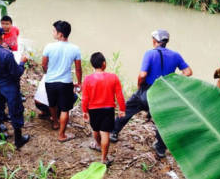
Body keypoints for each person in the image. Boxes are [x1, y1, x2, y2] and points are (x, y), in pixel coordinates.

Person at [110, 29, 192, 158]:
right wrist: (173, 81)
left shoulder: (149, 54)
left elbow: (142, 74)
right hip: (164, 92)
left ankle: (113, 133)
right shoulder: (176, 55)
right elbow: (188, 72)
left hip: (147, 91)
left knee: (127, 109)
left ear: (154, 41)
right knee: (162, 121)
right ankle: (160, 149)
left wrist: (139, 87)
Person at [82, 52, 126, 165]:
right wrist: (122, 109)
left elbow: (85, 97)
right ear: (104, 63)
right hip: (108, 109)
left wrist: (84, 111)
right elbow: (119, 95)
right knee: (105, 133)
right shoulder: (113, 77)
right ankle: (104, 159)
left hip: (93, 110)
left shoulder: (87, 79)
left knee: (96, 130)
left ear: (92, 65)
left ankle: (97, 144)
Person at [42, 20, 82, 142]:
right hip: (65, 82)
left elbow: (44, 65)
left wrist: (48, 73)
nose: (52, 33)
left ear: (60, 34)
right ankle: (61, 135)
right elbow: (78, 68)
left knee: (52, 104)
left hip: (50, 81)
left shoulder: (49, 46)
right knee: (65, 109)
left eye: (54, 31)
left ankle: (55, 122)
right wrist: (79, 82)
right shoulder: (75, 49)